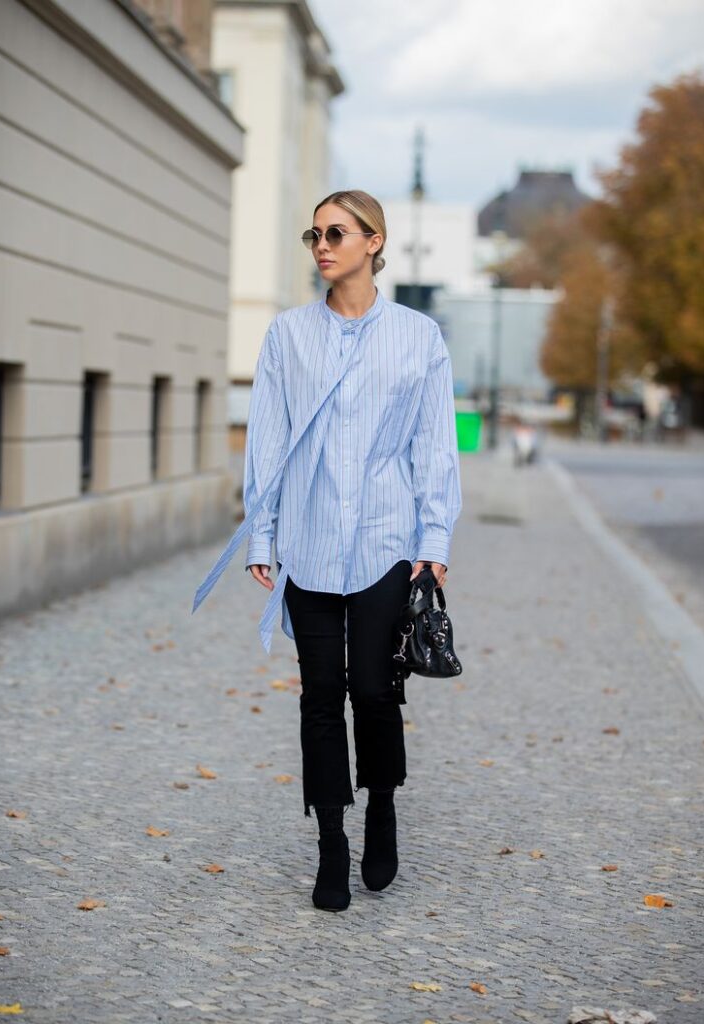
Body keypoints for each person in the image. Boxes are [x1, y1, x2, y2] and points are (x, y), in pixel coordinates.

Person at [192, 189, 462, 912]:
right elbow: (268, 442)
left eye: (336, 233)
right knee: (319, 699)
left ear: (374, 242)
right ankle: (331, 844)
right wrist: (266, 533)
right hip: (308, 545)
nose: (321, 245)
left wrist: (433, 540)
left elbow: (433, 446)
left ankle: (380, 807)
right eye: (313, 233)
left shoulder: (417, 337)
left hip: (385, 543)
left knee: (374, 691)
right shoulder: (287, 335)